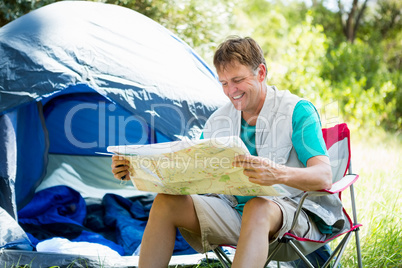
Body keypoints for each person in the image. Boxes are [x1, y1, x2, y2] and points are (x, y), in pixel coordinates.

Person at [112, 36, 346, 268]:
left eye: (237, 80)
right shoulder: (218, 120)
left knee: (257, 205)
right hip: (234, 212)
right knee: (165, 203)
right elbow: (193, 174)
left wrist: (278, 174)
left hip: (294, 214)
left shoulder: (298, 110)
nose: (230, 91)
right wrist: (137, 169)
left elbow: (324, 176)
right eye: (224, 83)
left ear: (261, 73)